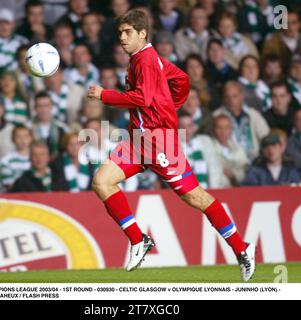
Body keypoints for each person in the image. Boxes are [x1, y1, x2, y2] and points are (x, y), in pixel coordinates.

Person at [87, 10, 256, 281]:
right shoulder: (147, 60)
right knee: (102, 181)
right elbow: (182, 80)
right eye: (120, 32)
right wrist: (169, 104)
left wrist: (104, 94)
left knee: (195, 197)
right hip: (138, 140)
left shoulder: (146, 61)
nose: (122, 37)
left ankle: (242, 248)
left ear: (142, 34)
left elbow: (141, 98)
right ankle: (138, 239)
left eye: (127, 32)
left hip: (160, 143)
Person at [213, 81, 270, 160]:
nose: (231, 100)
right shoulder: (216, 116)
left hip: (255, 159)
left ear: (241, 97)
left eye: (234, 96)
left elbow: (266, 136)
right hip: (230, 160)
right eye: (227, 97)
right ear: (223, 98)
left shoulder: (253, 114)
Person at [178, 111, 223, 189]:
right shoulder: (171, 148)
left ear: (194, 127)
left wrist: (213, 191)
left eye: (189, 126)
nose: (187, 130)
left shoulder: (205, 141)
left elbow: (214, 168)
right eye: (182, 127)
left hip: (209, 191)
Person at [211, 114, 249, 187]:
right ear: (213, 130)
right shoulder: (209, 147)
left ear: (231, 130)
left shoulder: (238, 149)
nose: (223, 132)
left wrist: (233, 174)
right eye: (219, 128)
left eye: (226, 128)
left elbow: (245, 170)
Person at [31, 91, 67, 159]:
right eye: (39, 106)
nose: (43, 110)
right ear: (35, 108)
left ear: (51, 107)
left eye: (46, 106)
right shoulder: (28, 128)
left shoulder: (62, 128)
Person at [0, 125, 33, 191]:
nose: (23, 140)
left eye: (26, 136)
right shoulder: (6, 160)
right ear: (12, 139)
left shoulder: (37, 157)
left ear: (31, 138)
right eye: (19, 137)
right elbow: (8, 185)